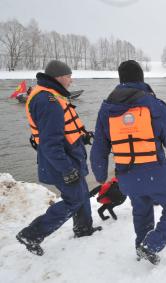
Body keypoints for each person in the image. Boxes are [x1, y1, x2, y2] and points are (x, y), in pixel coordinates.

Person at [90, 60, 166, 265]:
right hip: (155, 172)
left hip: (126, 176)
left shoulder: (106, 108)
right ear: (141, 79)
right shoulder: (153, 104)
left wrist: (99, 175)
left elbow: (99, 146)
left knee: (141, 208)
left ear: (121, 80)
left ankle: (141, 247)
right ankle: (150, 245)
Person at [16, 60, 101, 256]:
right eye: (69, 76)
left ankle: (83, 229)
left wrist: (83, 136)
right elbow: (50, 142)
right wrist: (66, 169)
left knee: (81, 193)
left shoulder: (53, 95)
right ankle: (32, 234)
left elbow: (63, 131)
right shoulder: (48, 101)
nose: (71, 80)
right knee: (74, 199)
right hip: (61, 162)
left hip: (70, 156)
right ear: (59, 77)